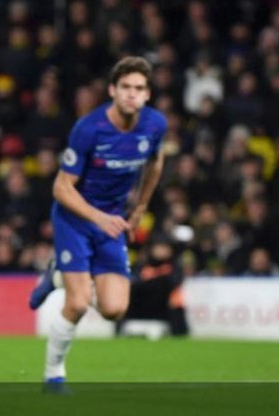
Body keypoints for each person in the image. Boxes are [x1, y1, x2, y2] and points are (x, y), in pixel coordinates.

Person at [29, 56, 166, 387]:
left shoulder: (155, 125)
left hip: (112, 221)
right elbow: (61, 187)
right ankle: (54, 374)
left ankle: (58, 277)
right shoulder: (89, 128)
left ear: (147, 94)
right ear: (112, 91)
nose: (132, 94)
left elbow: (156, 163)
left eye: (139, 88)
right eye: (126, 88)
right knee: (76, 304)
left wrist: (140, 207)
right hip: (75, 218)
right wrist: (101, 218)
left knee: (114, 309)